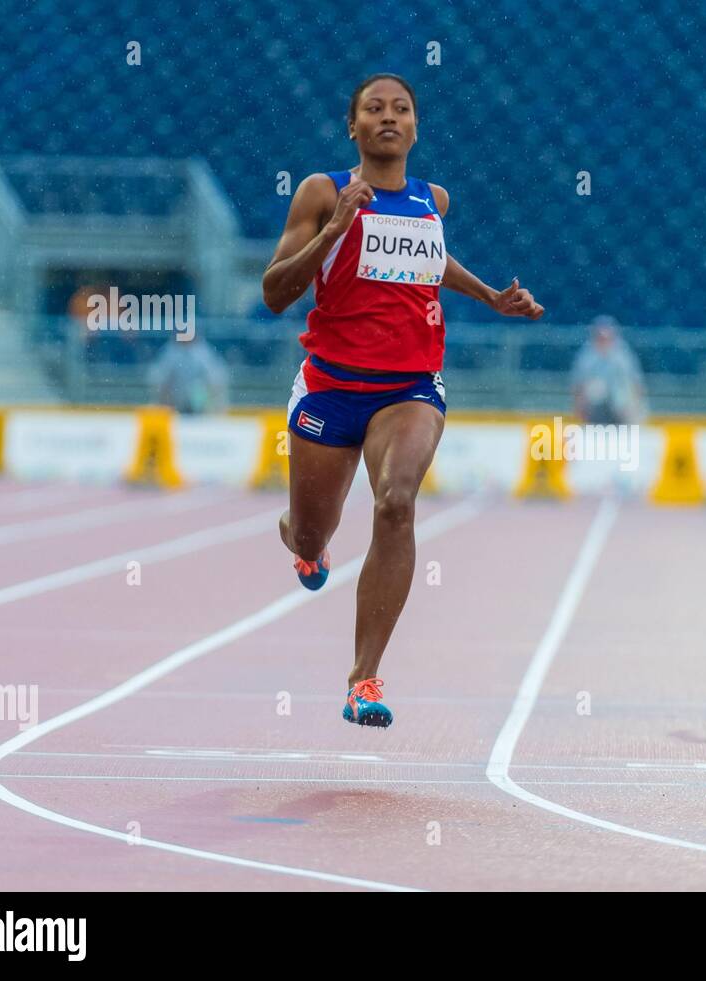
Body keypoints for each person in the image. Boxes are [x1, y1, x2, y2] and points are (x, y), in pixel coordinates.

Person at [261, 73, 543, 728]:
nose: (388, 116)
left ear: (416, 128)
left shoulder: (431, 200)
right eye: (373, 108)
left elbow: (430, 259)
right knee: (312, 528)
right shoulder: (321, 191)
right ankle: (300, 539)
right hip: (331, 384)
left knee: (396, 503)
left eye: (401, 109)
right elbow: (275, 292)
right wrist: (332, 229)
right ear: (352, 127)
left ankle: (365, 677)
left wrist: (491, 295)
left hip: (409, 385)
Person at [571, 316, 647, 424]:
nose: (604, 342)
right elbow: (579, 386)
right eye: (600, 338)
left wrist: (635, 406)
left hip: (622, 408)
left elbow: (636, 385)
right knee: (596, 389)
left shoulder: (623, 357)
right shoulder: (587, 358)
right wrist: (580, 407)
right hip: (596, 409)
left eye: (607, 339)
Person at [146, 331, 229, 414]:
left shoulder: (203, 353)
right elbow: (156, 378)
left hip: (200, 404)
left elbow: (217, 379)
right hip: (174, 403)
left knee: (199, 386)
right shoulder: (170, 352)